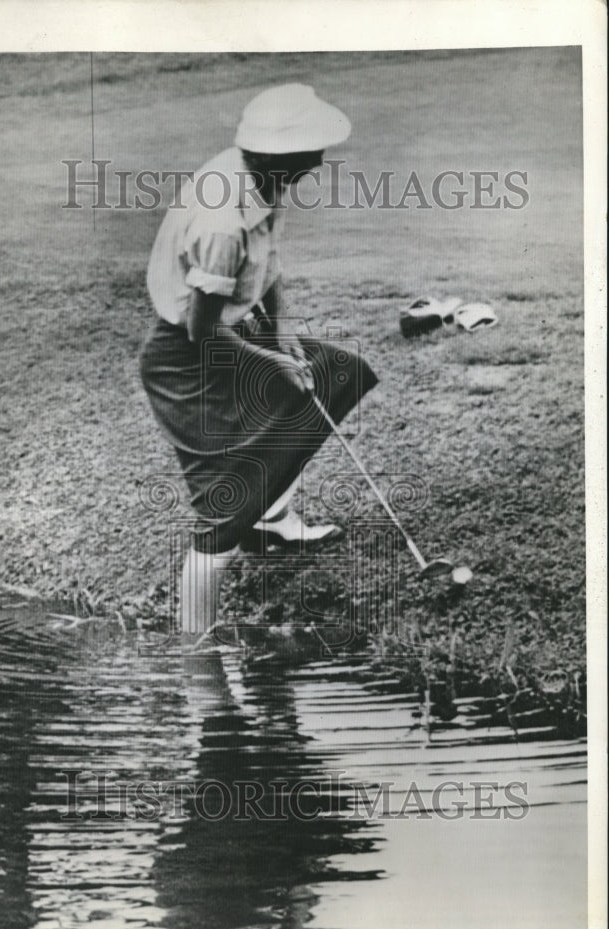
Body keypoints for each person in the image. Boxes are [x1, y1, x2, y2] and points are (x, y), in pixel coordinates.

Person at [141, 83, 378, 640]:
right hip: (186, 360)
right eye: (312, 150)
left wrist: (283, 334)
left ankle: (270, 524)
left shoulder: (258, 179)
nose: (321, 160)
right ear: (281, 155)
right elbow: (201, 332)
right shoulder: (223, 221)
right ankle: (195, 646)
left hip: (232, 336)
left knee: (333, 374)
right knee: (225, 504)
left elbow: (267, 268)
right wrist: (268, 362)